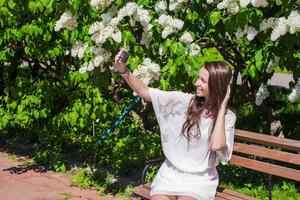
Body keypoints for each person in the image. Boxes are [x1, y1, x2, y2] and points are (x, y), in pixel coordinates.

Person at [114, 49, 236, 200]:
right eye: (199, 78)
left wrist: (223, 105)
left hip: (200, 180)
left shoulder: (227, 116)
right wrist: (123, 70)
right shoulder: (185, 102)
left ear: (217, 85)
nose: (196, 83)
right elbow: (146, 92)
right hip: (171, 174)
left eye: (203, 81)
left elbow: (217, 145)